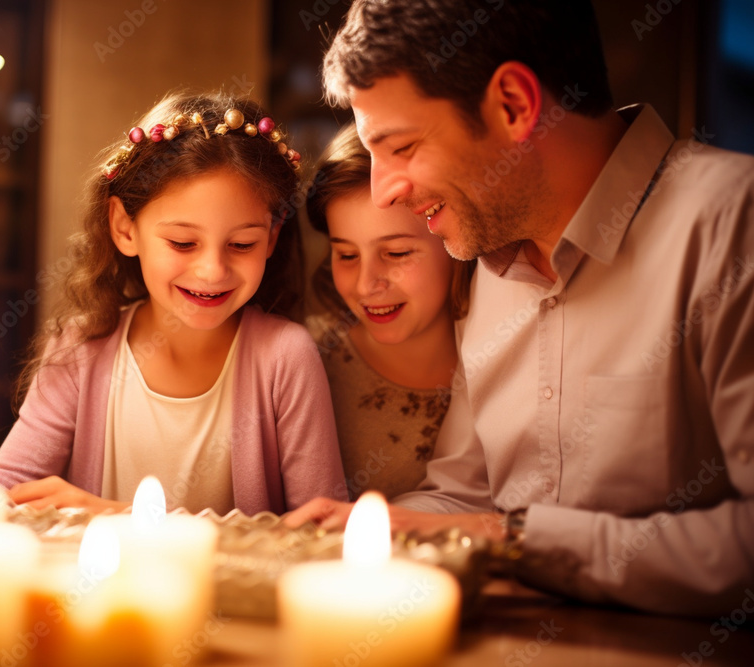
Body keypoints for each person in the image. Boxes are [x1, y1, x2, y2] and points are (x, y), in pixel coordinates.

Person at [285, 0, 754, 616]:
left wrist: (515, 541)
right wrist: (354, 540)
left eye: (399, 147)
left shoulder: (731, 225)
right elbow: (464, 497)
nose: (384, 189)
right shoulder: (482, 257)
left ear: (513, 104)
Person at [0, 92, 347, 516]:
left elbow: (323, 531)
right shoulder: (80, 349)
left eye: (242, 243)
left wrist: (117, 515)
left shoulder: (285, 356)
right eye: (182, 242)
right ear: (124, 227)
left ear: (272, 237)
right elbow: (3, 487)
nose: (212, 270)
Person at [305, 123, 474, 502]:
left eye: (396, 253)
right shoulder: (305, 362)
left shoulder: (508, 355)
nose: (367, 284)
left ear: (454, 241)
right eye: (346, 255)